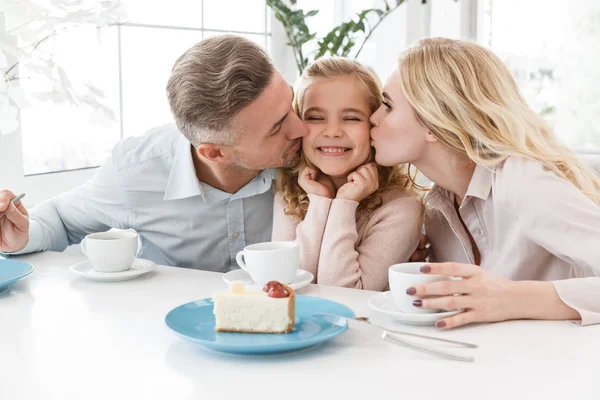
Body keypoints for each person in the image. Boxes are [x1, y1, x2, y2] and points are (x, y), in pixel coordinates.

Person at [0, 35, 308, 271]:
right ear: (214, 153)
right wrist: (22, 236)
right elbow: (62, 220)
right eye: (277, 127)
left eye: (289, 102)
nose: (302, 128)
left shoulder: (314, 151)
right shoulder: (135, 170)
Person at [370, 37, 600, 328]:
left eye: (387, 106)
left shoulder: (524, 182)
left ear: (432, 123)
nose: (373, 118)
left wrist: (513, 298)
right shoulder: (436, 207)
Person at [272, 57, 423, 290]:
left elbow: (346, 293)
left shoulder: (400, 208)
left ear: (374, 123)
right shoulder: (291, 191)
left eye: (351, 118)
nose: (332, 131)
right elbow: (287, 284)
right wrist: (320, 200)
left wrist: (344, 203)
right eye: (315, 117)